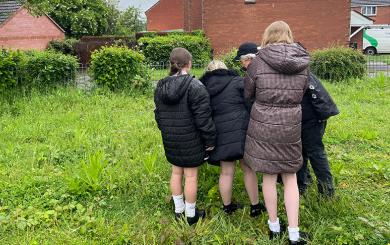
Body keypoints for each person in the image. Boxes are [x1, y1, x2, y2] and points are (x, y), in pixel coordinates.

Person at [243, 21, 309, 244]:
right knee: (290, 177)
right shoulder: (302, 61)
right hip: (290, 124)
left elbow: (248, 92)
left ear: (267, 36)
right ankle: (294, 234)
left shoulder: (258, 62)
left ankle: (273, 226)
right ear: (289, 35)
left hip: (263, 124)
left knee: (269, 176)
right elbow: (302, 91)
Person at [154, 48, 216, 225]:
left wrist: (165, 130)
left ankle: (178, 210)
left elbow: (158, 114)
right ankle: (190, 215)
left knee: (176, 172)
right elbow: (204, 119)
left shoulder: (160, 86)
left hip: (170, 137)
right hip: (191, 139)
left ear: (171, 63)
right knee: (190, 176)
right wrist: (210, 141)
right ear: (189, 63)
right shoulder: (195, 86)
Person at [199, 60, 266, 216]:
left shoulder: (204, 88)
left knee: (226, 172)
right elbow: (250, 101)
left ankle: (227, 207)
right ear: (225, 69)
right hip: (241, 131)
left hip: (220, 134)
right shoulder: (237, 81)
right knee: (248, 169)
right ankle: (255, 207)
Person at [297, 72, 338, 197]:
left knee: (314, 152)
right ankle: (303, 184)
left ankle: (326, 192)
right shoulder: (299, 67)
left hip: (310, 117)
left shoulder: (292, 69)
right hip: (307, 115)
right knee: (300, 152)